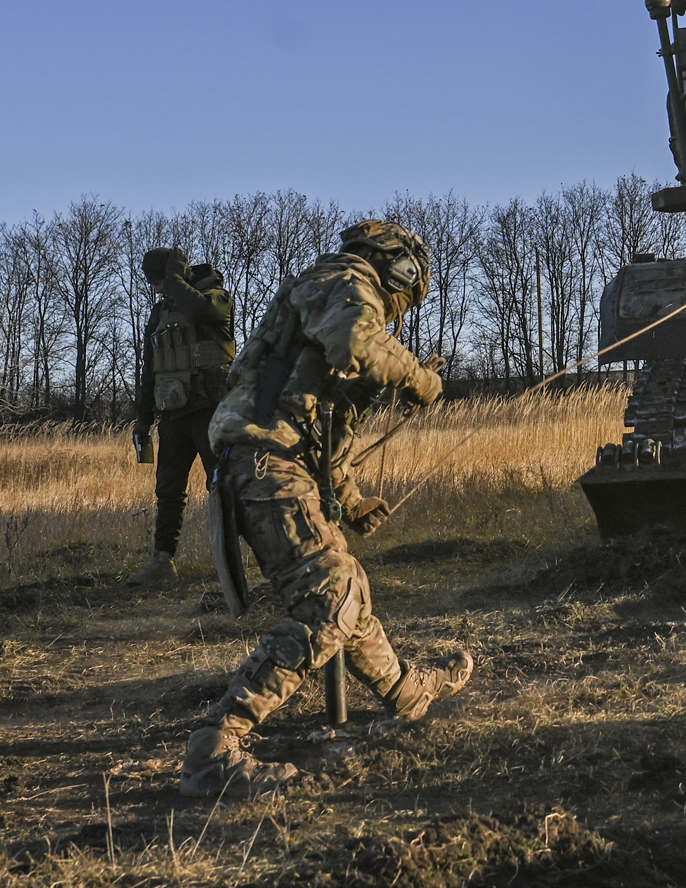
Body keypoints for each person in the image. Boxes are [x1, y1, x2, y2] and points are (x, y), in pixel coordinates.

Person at [179, 219, 473, 797]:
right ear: (398, 269)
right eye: (407, 294)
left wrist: (353, 498)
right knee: (332, 594)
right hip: (264, 459)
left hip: (276, 460)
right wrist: (418, 379)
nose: (400, 311)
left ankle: (409, 693)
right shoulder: (343, 279)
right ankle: (215, 748)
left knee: (348, 589)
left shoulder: (331, 300)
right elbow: (356, 344)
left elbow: (324, 429)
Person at [128, 249, 236, 587]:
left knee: (223, 489)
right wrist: (143, 419)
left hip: (211, 411)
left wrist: (175, 279)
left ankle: (234, 566)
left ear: (176, 274)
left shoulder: (216, 297)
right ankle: (162, 563)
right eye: (157, 283)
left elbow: (202, 310)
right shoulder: (160, 313)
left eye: (161, 280)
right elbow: (150, 369)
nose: (159, 289)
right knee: (169, 491)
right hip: (173, 414)